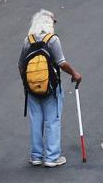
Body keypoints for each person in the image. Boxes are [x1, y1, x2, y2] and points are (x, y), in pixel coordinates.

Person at [18, 10, 82, 168]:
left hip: (32, 88)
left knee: (36, 120)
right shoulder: (52, 40)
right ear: (49, 24)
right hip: (51, 88)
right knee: (53, 120)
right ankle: (52, 157)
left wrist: (28, 83)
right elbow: (61, 62)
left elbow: (21, 65)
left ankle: (36, 156)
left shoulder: (28, 40)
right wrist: (74, 73)